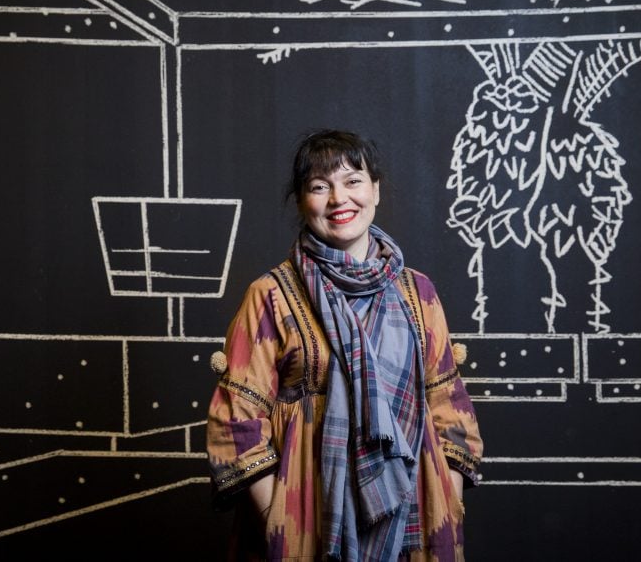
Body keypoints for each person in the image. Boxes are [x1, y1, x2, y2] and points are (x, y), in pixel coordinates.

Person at [207, 129, 483, 561]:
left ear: (375, 189)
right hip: (309, 515)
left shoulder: (418, 292)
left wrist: (444, 494)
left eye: (353, 181)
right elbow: (236, 420)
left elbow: (449, 405)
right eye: (320, 186)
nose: (339, 199)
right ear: (301, 201)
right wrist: (281, 520)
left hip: (414, 512)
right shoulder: (271, 294)